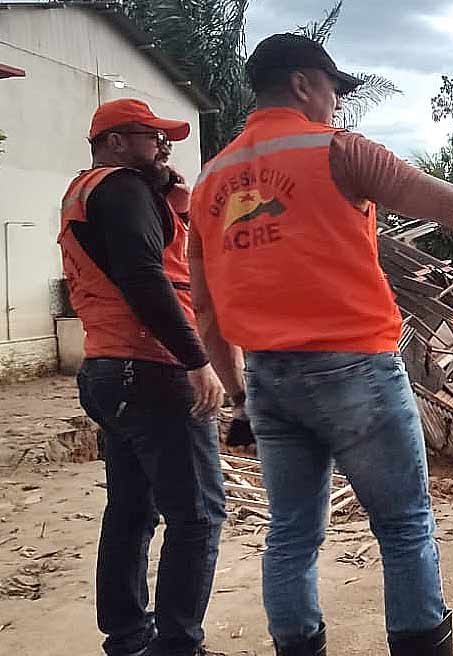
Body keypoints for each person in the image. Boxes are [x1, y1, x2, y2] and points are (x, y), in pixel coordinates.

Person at [187, 33, 453, 656]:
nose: (336, 104)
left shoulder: (210, 182)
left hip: (270, 380)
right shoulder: (336, 151)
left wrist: (241, 393)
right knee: (404, 526)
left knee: (291, 534)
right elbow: (449, 201)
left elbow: (208, 305)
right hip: (357, 372)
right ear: (303, 84)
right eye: (333, 90)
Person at [58, 99, 228, 656]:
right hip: (150, 366)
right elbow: (143, 275)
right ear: (112, 141)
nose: (162, 145)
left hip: (108, 368)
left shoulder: (92, 192)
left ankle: (129, 638)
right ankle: (177, 647)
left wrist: (170, 193)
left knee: (131, 510)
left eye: (164, 137)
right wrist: (196, 360)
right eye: (149, 135)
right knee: (198, 517)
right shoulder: (123, 187)